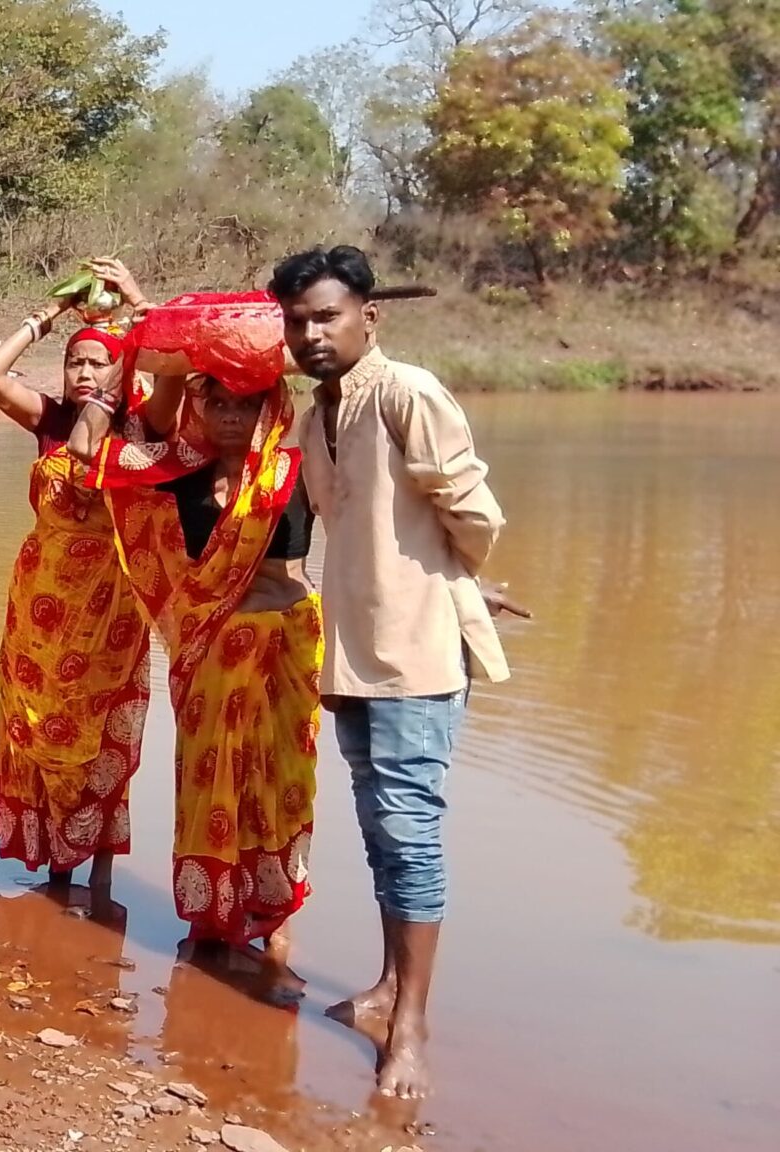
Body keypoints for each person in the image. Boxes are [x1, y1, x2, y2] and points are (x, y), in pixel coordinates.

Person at [273, 245, 521, 1101]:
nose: (310, 334)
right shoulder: (317, 415)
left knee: (410, 832)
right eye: (297, 320)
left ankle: (411, 1027)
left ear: (367, 317)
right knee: (382, 832)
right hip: (348, 648)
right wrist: (439, 567)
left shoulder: (406, 393)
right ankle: (385, 989)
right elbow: (369, 525)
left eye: (326, 317)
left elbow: (473, 511)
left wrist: (448, 582)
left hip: (415, 656)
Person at [66, 292, 321, 974]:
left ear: (271, 407)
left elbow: (362, 538)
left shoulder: (295, 473)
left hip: (284, 646)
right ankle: (214, 916)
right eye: (220, 403)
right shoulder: (179, 472)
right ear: (200, 406)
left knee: (280, 782)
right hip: (210, 650)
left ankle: (276, 920)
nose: (233, 417)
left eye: (248, 404)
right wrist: (155, 343)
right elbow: (90, 450)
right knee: (211, 783)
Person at [0, 260, 157, 890]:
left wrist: (134, 308)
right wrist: (46, 318)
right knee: (37, 722)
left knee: (99, 726)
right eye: (75, 362)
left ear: (119, 369)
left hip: (109, 606)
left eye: (97, 363)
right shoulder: (49, 422)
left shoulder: (139, 427)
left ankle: (97, 870)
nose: (83, 372)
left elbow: (168, 369)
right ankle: (55, 865)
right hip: (40, 598)